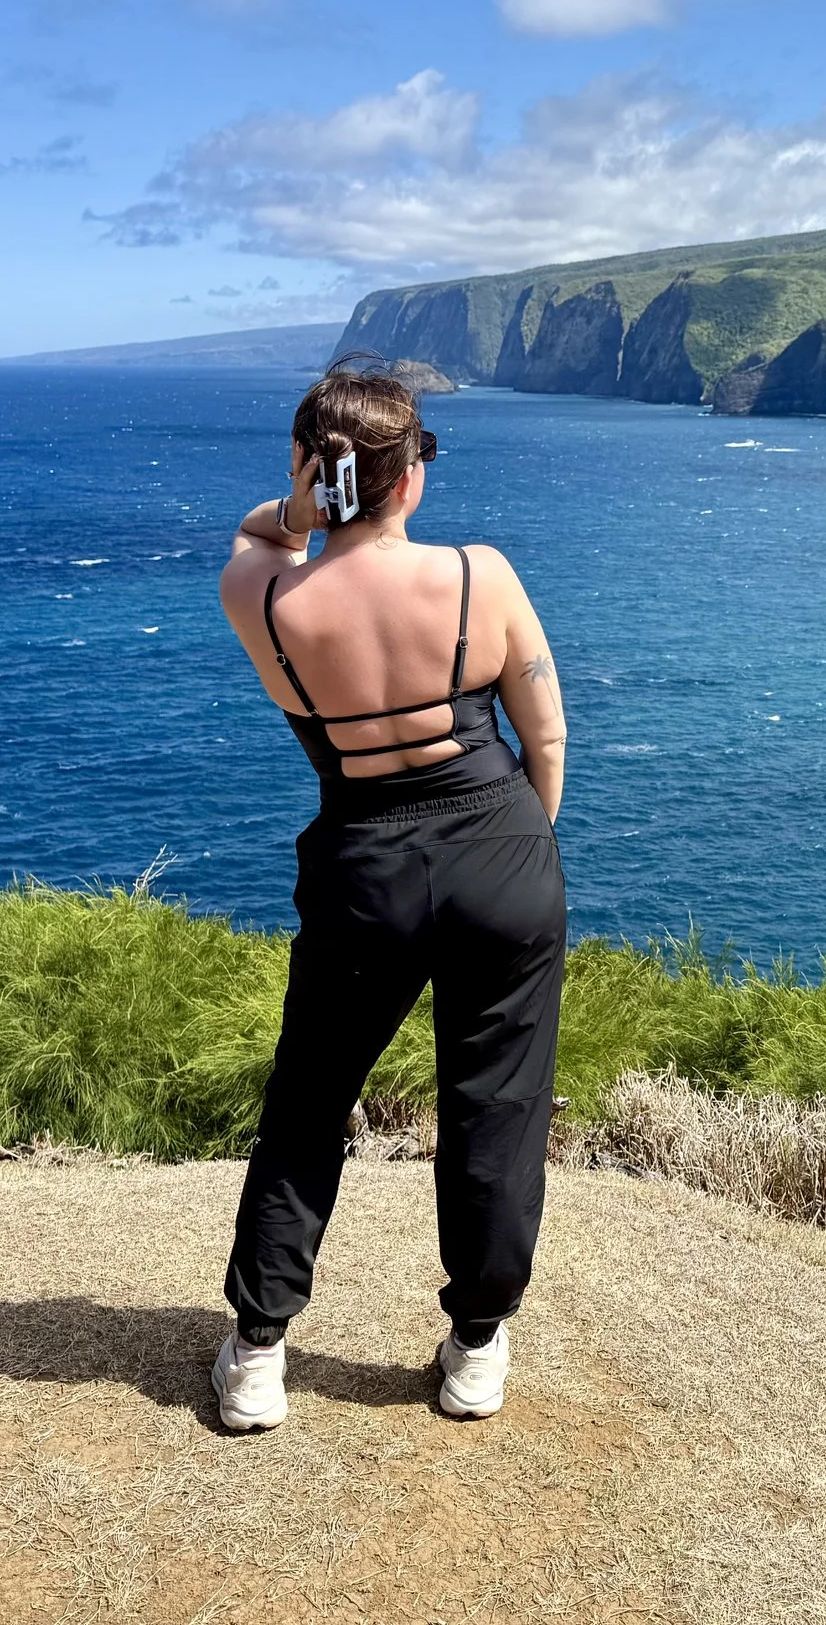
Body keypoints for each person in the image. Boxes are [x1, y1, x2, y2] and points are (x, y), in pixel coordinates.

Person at [210, 356, 568, 1427]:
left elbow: (257, 533)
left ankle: (262, 1354)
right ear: (412, 476)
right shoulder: (479, 576)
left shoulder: (263, 596)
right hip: (500, 851)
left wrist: (300, 500)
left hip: (363, 869)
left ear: (312, 475)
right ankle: (475, 1350)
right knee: (494, 1108)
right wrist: (517, 851)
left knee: (310, 1102)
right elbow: (543, 733)